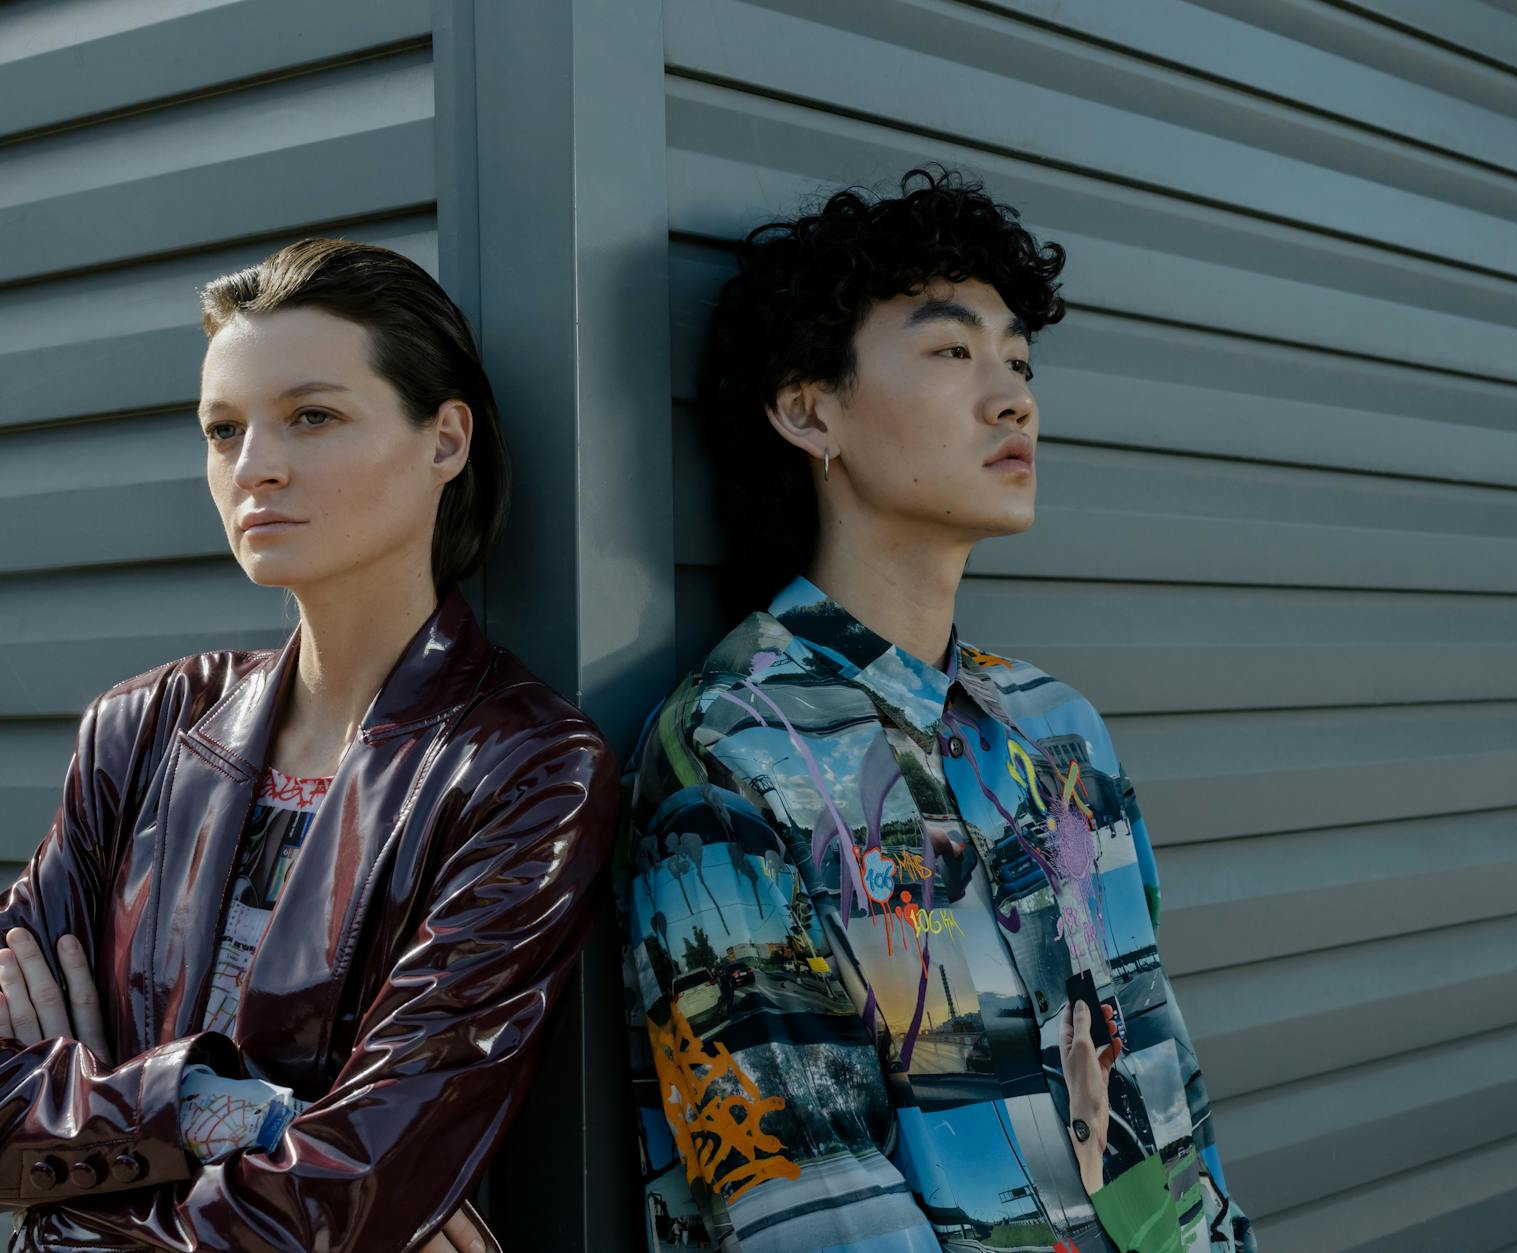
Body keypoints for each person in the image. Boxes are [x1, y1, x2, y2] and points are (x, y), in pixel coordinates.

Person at [618, 167, 1255, 1253]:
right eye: (953, 352)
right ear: (808, 409)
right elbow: (807, 1205)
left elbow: (1159, 1084)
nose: (1013, 398)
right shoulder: (732, 750)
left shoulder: (1060, 729)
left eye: (1018, 361)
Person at [0, 240, 618, 1251]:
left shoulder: (526, 768)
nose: (254, 466)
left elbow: (344, 1200)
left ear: (445, 440)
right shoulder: (143, 727)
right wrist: (238, 1111)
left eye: (312, 416)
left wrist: (85, 1136)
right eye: (223, 429)